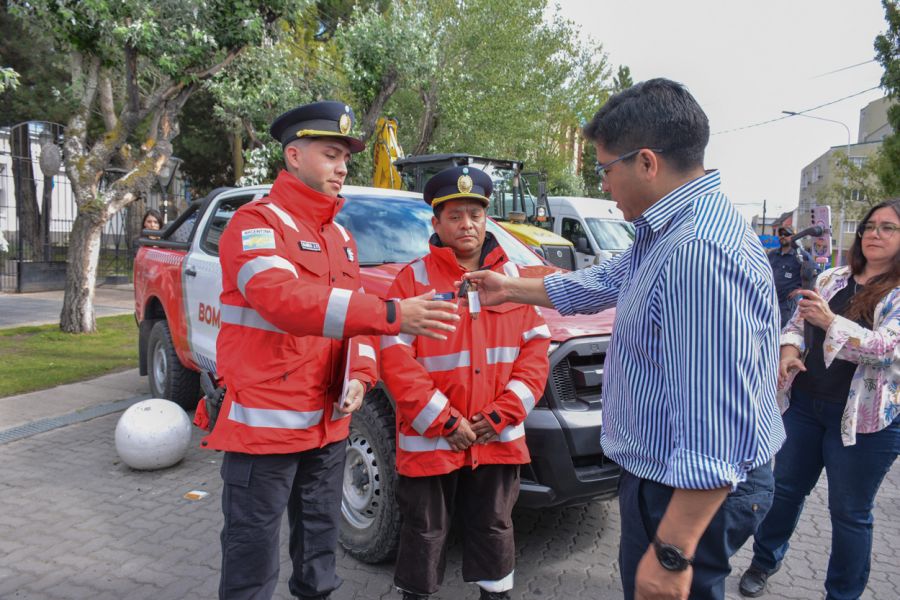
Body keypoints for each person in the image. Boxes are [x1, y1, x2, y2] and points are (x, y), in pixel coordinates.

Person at [464, 78, 785, 600]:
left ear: (647, 163)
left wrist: (672, 551)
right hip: (665, 476)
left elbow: (714, 426)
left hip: (688, 491)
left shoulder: (696, 252)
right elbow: (604, 283)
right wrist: (512, 288)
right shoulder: (668, 231)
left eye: (605, 170)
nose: (605, 186)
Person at [203, 100, 460, 600]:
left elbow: (352, 318)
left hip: (328, 427)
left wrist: (362, 375)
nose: (342, 166)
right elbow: (282, 300)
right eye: (330, 153)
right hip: (265, 430)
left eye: (346, 156)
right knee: (251, 559)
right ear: (294, 155)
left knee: (319, 554)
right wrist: (393, 315)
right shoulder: (256, 224)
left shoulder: (340, 236)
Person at [380, 166, 551, 600]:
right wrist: (445, 421)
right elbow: (395, 359)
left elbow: (535, 354)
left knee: (495, 528)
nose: (466, 224)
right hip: (432, 437)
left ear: (486, 218)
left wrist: (501, 415)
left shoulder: (514, 280)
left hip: (496, 434)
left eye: (475, 214)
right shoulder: (412, 280)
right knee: (423, 531)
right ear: (436, 223)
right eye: (454, 216)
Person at [738, 200, 900, 599]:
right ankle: (763, 561)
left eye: (888, 228)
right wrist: (789, 353)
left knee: (849, 514)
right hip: (807, 407)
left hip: (864, 423)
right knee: (785, 490)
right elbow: (795, 323)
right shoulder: (833, 279)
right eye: (870, 226)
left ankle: (841, 594)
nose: (875, 234)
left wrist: (830, 322)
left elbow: (885, 349)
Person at [768, 225, 816, 328]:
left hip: (787, 305)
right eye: (781, 234)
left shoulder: (801, 255)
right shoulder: (772, 255)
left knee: (784, 335)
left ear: (794, 236)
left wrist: (800, 290)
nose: (783, 236)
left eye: (787, 234)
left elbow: (816, 273)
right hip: (770, 301)